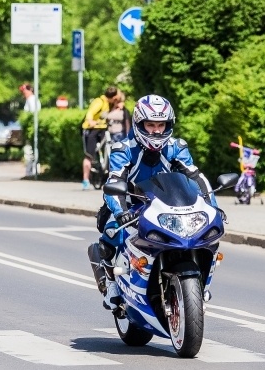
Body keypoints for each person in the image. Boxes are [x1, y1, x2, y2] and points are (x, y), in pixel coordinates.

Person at [89, 94, 212, 311]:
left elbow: (196, 177)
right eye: (150, 124)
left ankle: (200, 284)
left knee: (204, 237)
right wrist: (121, 213)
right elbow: (114, 183)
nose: (156, 130)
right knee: (110, 233)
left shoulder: (176, 147)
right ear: (139, 124)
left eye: (161, 125)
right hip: (130, 207)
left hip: (165, 208)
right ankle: (110, 284)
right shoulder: (123, 149)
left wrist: (212, 206)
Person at [81, 86, 120, 190]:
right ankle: (85, 180)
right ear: (113, 97)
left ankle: (106, 165)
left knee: (110, 145)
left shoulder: (111, 103)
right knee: (89, 155)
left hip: (103, 129)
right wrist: (90, 121)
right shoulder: (99, 102)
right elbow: (90, 113)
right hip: (91, 129)